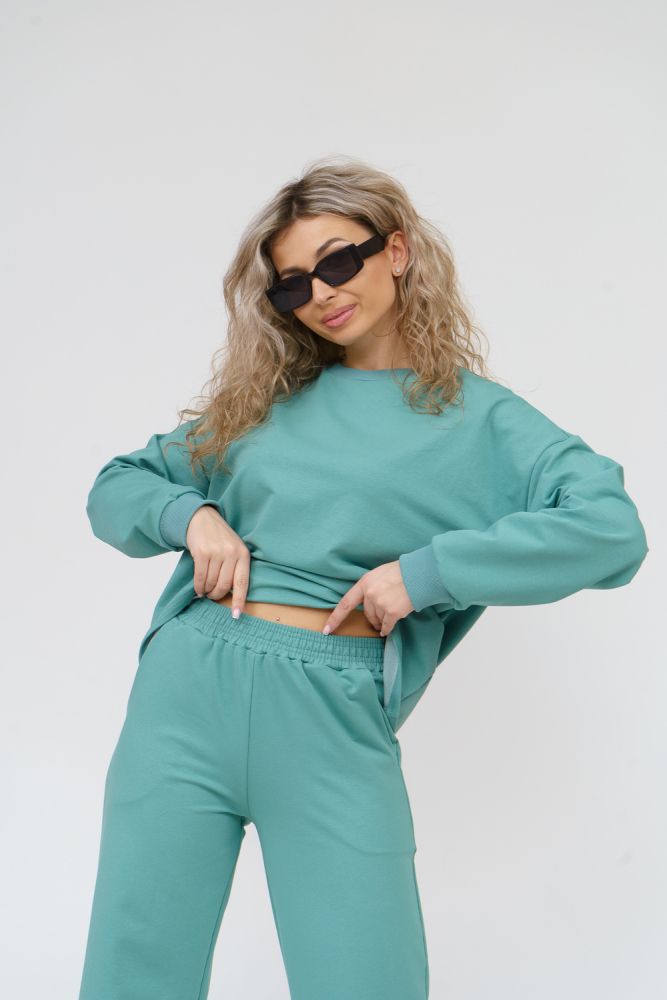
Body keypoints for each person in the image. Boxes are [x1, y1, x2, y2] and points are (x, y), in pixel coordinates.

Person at [77, 155, 649, 1000]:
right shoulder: (263, 403)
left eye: (338, 261)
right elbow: (116, 486)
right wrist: (189, 517)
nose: (320, 293)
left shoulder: (482, 420)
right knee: (136, 969)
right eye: (292, 285)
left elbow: (611, 530)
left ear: (397, 250)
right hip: (187, 695)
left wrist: (428, 574)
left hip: (332, 712)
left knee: (365, 978)